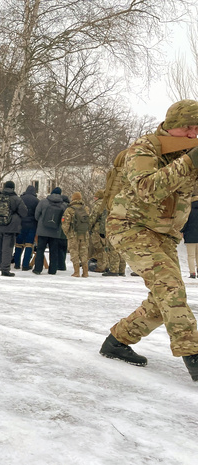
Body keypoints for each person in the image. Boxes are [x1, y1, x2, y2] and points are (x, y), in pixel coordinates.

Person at [99, 99, 198, 382]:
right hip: (129, 226)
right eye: (188, 129)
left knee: (162, 300)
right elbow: (147, 189)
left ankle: (117, 341)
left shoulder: (189, 150)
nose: (193, 134)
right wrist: (190, 161)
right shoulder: (145, 148)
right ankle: (194, 354)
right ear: (172, 125)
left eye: (197, 129)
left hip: (165, 234)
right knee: (170, 286)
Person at [0, 181, 27, 276]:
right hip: (10, 228)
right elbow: (24, 213)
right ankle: (5, 269)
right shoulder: (17, 199)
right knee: (7, 249)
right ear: (13, 188)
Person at [33, 187, 66, 275]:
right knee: (54, 251)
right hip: (55, 231)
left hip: (42, 230)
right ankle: (52, 270)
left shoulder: (43, 202)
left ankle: (37, 269)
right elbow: (64, 218)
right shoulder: (63, 205)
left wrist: (40, 222)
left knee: (40, 250)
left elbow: (36, 215)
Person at [61, 192, 90, 277]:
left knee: (74, 252)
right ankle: (85, 272)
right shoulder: (86, 208)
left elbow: (65, 224)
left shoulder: (69, 210)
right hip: (84, 234)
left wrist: (67, 234)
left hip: (73, 235)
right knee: (84, 253)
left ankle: (76, 272)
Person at [14, 185, 39, 271]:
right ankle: (25, 265)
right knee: (29, 245)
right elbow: (37, 214)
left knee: (18, 244)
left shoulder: (20, 199)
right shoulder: (36, 201)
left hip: (20, 224)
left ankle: (16, 263)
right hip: (32, 225)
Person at [88, 190, 108, 273]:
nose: (94, 198)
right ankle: (106, 264)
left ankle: (101, 266)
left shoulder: (98, 204)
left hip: (97, 229)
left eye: (95, 196)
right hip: (105, 229)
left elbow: (93, 217)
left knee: (98, 247)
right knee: (104, 247)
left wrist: (89, 227)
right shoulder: (107, 203)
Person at [181, 187, 198, 278]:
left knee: (191, 255)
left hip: (190, 235)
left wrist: (181, 231)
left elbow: (185, 222)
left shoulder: (189, 211)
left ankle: (192, 273)